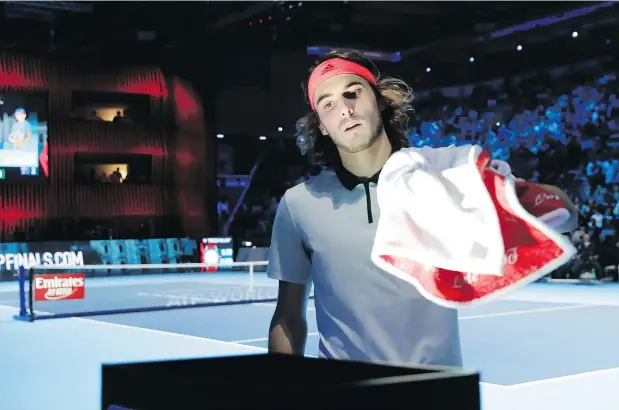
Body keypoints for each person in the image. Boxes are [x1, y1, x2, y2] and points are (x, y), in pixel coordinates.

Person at [267, 49, 579, 366]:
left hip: (438, 390)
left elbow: (567, 214)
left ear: (380, 101)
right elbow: (288, 317)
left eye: (353, 94)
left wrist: (504, 196)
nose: (345, 110)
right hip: (345, 392)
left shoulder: (444, 175)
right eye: (328, 104)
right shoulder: (298, 204)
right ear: (320, 125)